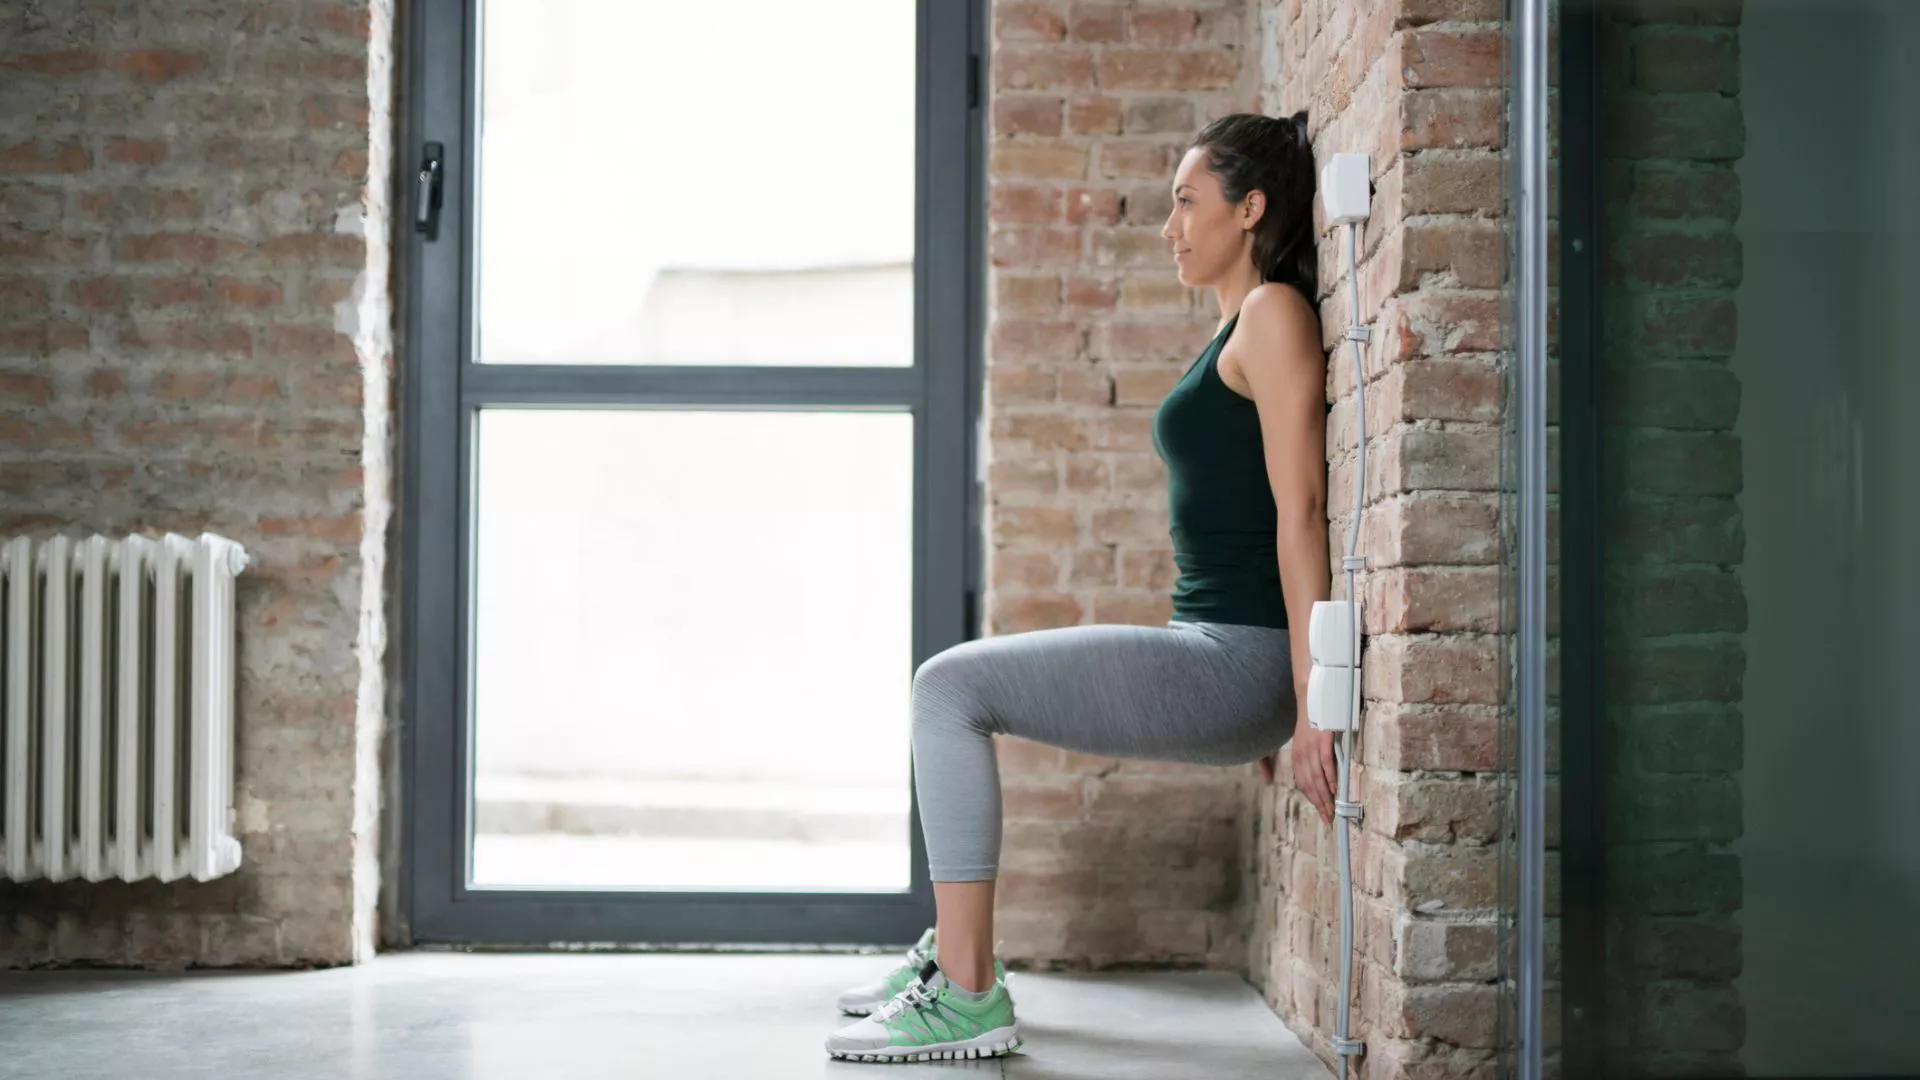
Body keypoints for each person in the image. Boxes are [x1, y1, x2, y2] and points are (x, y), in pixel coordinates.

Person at [824, 110, 1337, 1064]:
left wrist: (1302, 695)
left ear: (1250, 207)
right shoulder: (1237, 322)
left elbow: (1300, 513)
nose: (1169, 225)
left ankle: (969, 990)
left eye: (1188, 202)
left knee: (948, 688)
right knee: (952, 689)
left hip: (1236, 659)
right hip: (1231, 658)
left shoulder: (1272, 314)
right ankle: (958, 960)